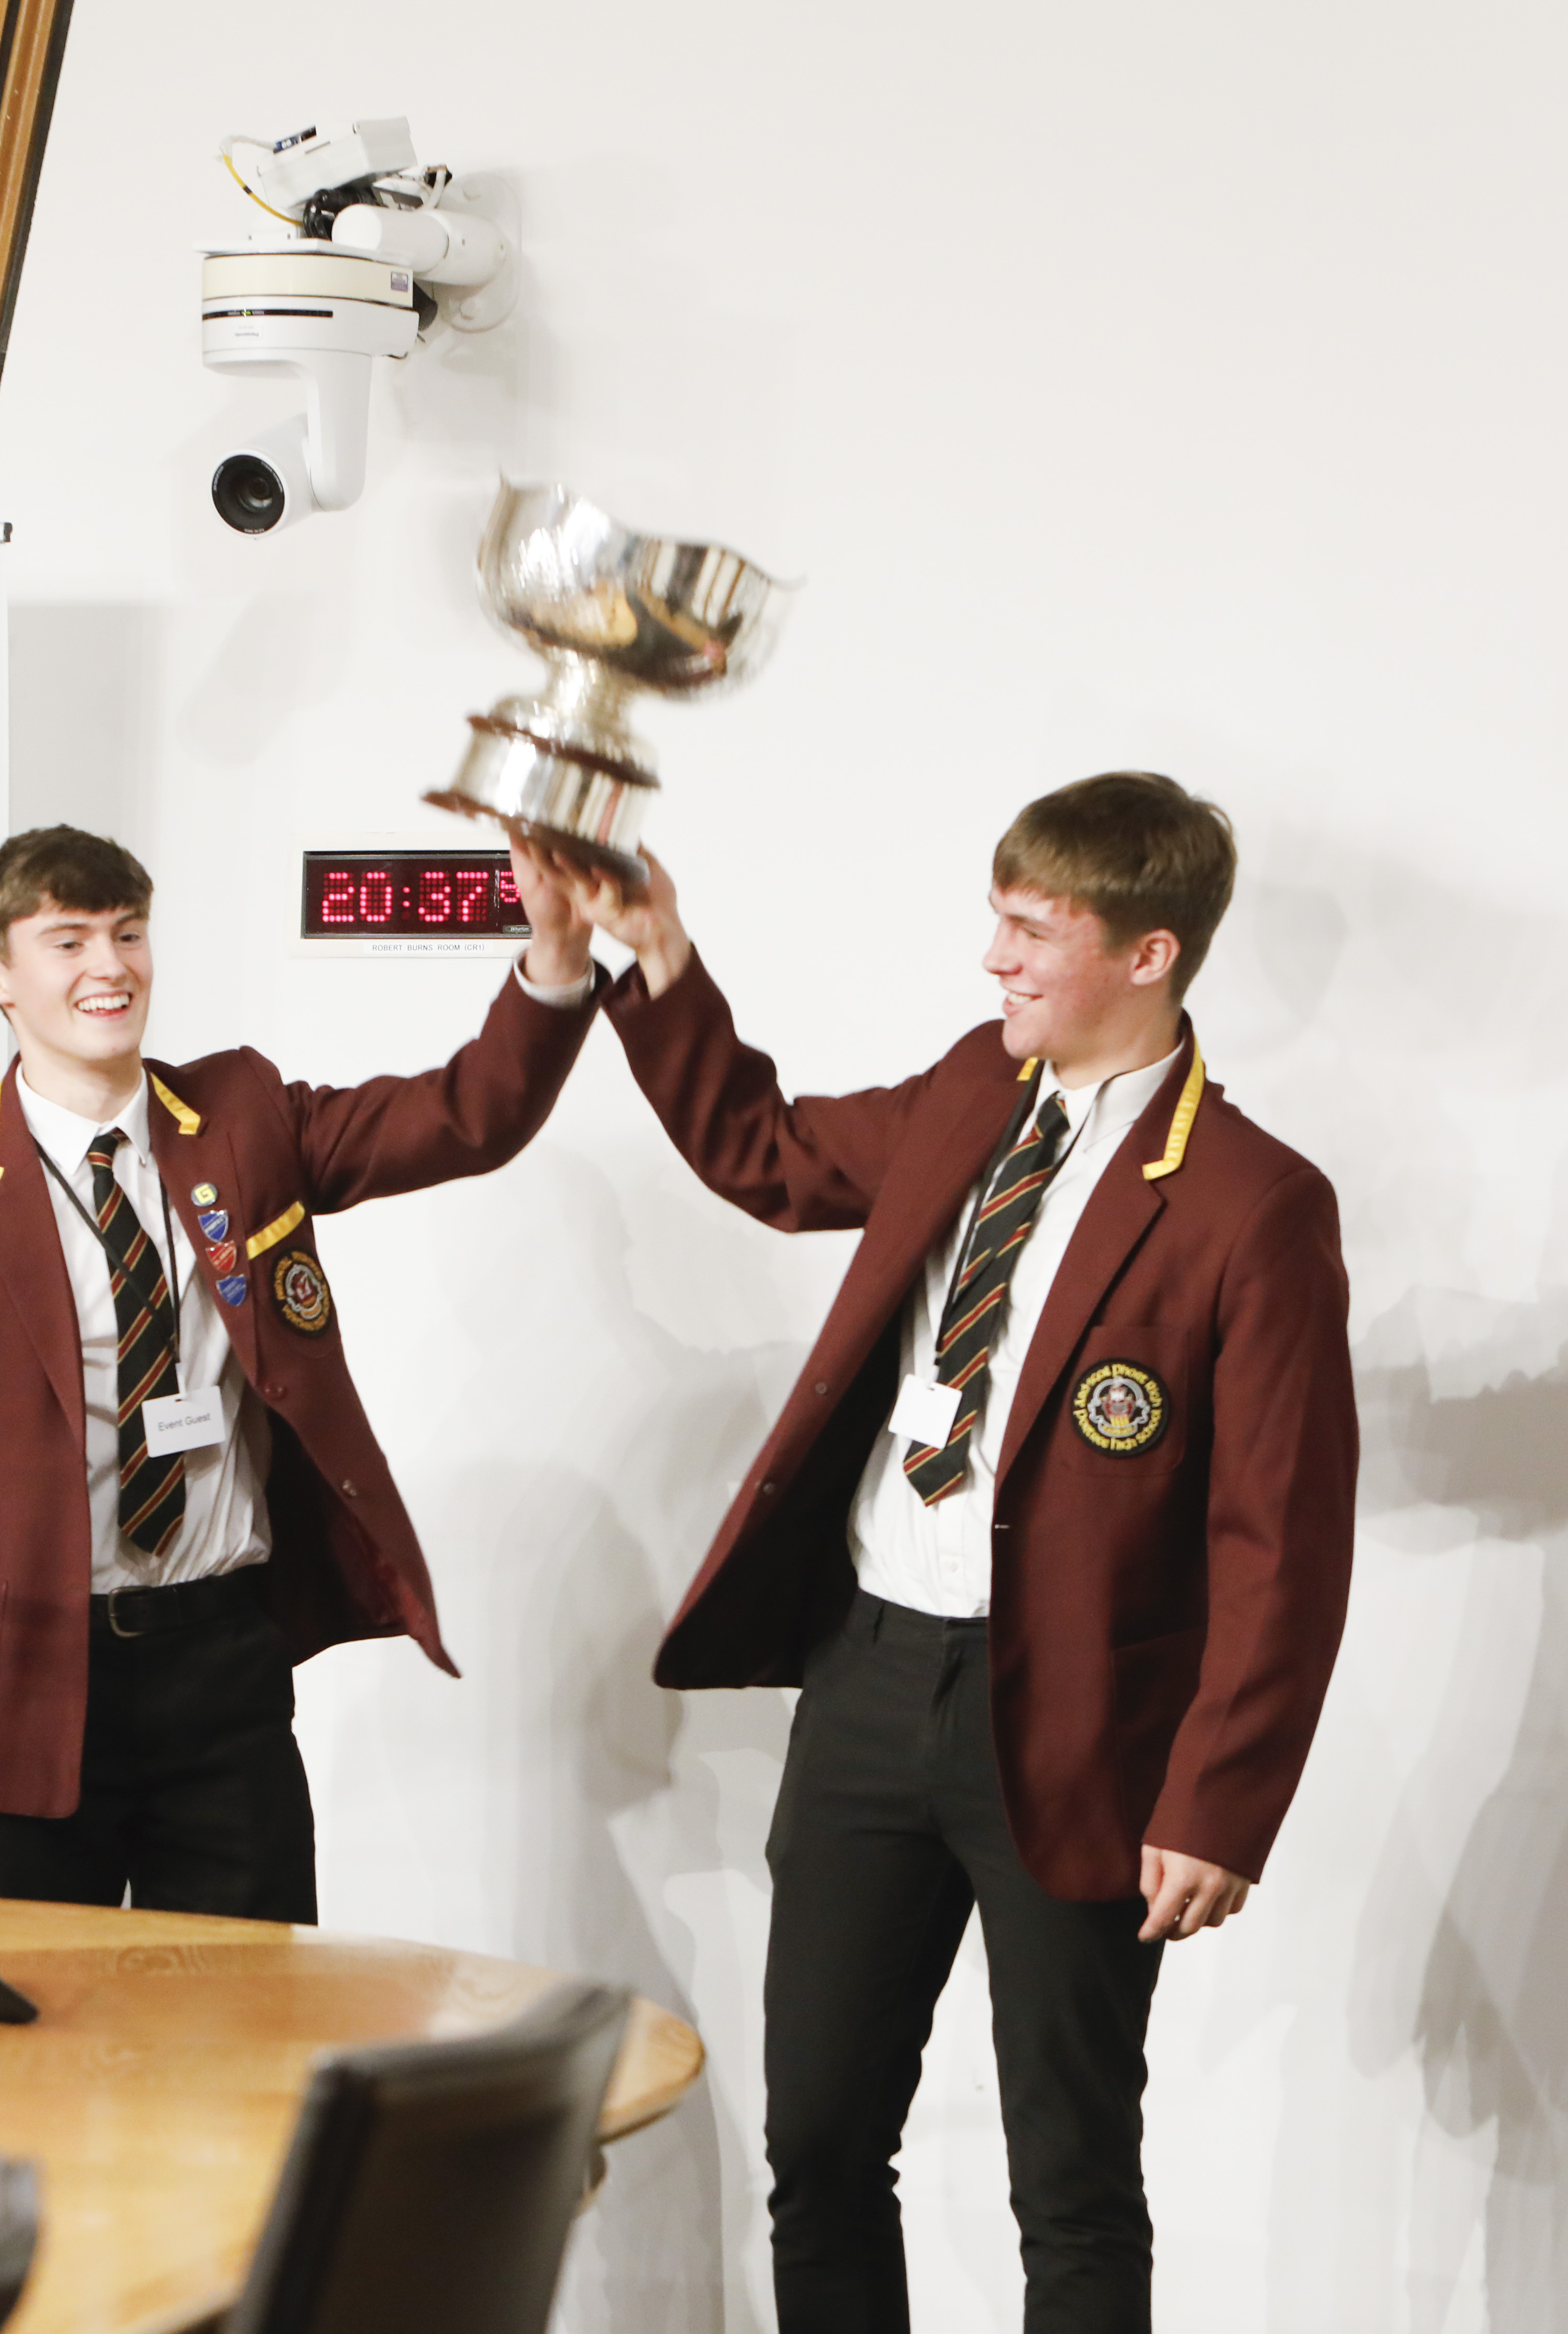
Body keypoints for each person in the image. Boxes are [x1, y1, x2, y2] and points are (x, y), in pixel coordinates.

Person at [530, 771, 1356, 2331]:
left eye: (1035, 931)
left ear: (1149, 955)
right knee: (822, 2142)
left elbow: (1283, 1543)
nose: (996, 960)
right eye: (999, 918)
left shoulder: (1254, 1207)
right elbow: (766, 1155)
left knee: (1072, 2178)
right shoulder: (974, 1094)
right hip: (869, 1682)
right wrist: (657, 955)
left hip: (1074, 1728)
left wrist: (1220, 1801)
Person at [0, 825, 599, 1920]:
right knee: (33, 2058)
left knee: (248, 2044)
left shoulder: (241, 1115)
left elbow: (467, 1115)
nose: (110, 966)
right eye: (68, 939)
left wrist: (555, 961)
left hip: (222, 1669)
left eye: (129, 933)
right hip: (20, 1688)